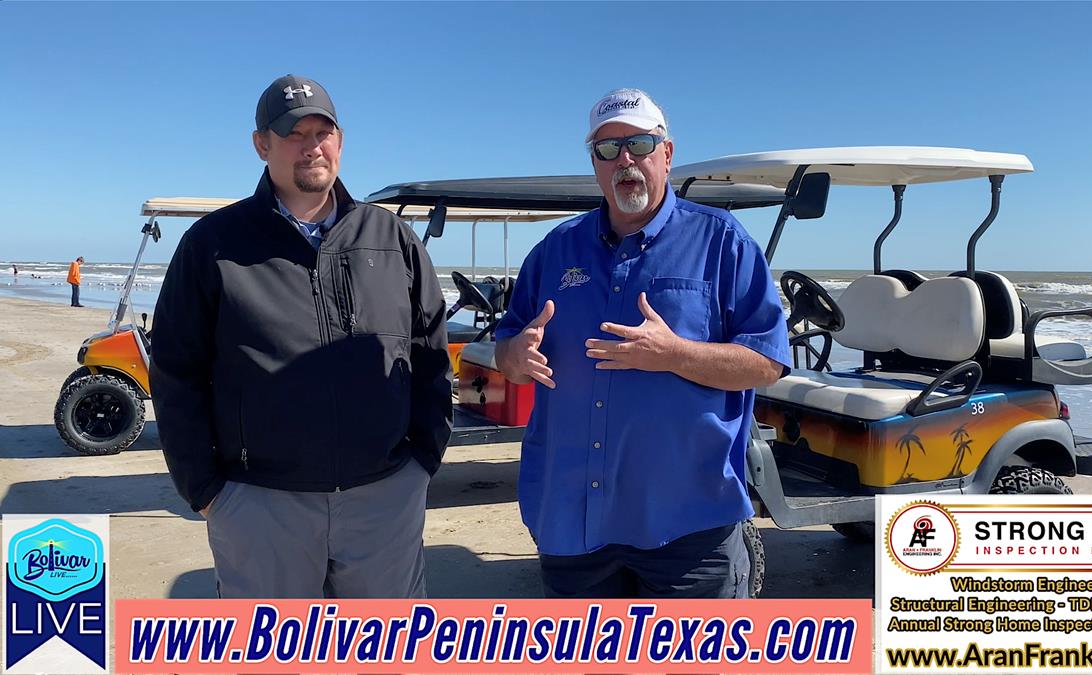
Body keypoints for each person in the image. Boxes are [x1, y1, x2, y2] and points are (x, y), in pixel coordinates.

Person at [149, 74, 452, 599]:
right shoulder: (213, 244)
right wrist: (206, 490)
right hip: (261, 505)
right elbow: (176, 373)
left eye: (322, 132)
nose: (311, 147)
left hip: (383, 501)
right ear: (261, 144)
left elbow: (429, 354)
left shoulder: (391, 238)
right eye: (293, 134)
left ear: (340, 141)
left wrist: (422, 462)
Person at [493, 88, 790, 598]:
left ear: (667, 154)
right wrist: (515, 356)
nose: (624, 159)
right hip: (573, 520)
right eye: (608, 150)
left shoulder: (722, 242)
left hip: (688, 525)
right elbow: (506, 348)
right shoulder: (554, 250)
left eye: (639, 144)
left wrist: (675, 354)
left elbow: (767, 362)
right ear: (594, 164)